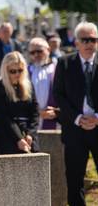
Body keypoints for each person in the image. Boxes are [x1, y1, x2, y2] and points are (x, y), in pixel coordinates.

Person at [53, 22, 98, 206]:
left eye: (93, 40)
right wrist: (78, 119)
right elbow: (58, 95)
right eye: (85, 40)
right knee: (74, 180)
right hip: (74, 130)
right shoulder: (64, 63)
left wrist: (97, 118)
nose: (89, 43)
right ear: (76, 42)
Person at [0, 52, 39, 154]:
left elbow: (35, 112)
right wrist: (18, 138)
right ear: (6, 71)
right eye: (13, 71)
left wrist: (30, 134)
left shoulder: (28, 85)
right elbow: (3, 115)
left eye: (20, 70)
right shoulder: (0, 87)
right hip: (7, 132)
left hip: (27, 131)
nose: (17, 74)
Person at [27, 38, 59, 130]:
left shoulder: (58, 68)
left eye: (39, 51)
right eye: (32, 53)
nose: (36, 55)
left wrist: (57, 112)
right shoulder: (26, 71)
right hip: (32, 119)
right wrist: (37, 112)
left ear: (48, 50)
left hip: (54, 119)